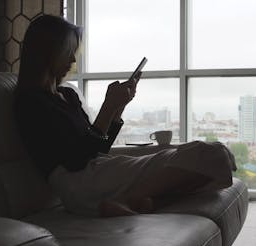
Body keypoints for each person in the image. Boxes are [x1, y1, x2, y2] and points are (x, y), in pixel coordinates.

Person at [14, 14, 237, 218]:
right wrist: (107, 106)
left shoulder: (68, 95)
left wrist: (118, 107)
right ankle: (119, 200)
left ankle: (138, 202)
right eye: (67, 51)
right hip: (78, 182)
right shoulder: (30, 101)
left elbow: (98, 147)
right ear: (47, 52)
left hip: (98, 170)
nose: (72, 60)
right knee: (212, 155)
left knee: (215, 160)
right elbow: (77, 159)